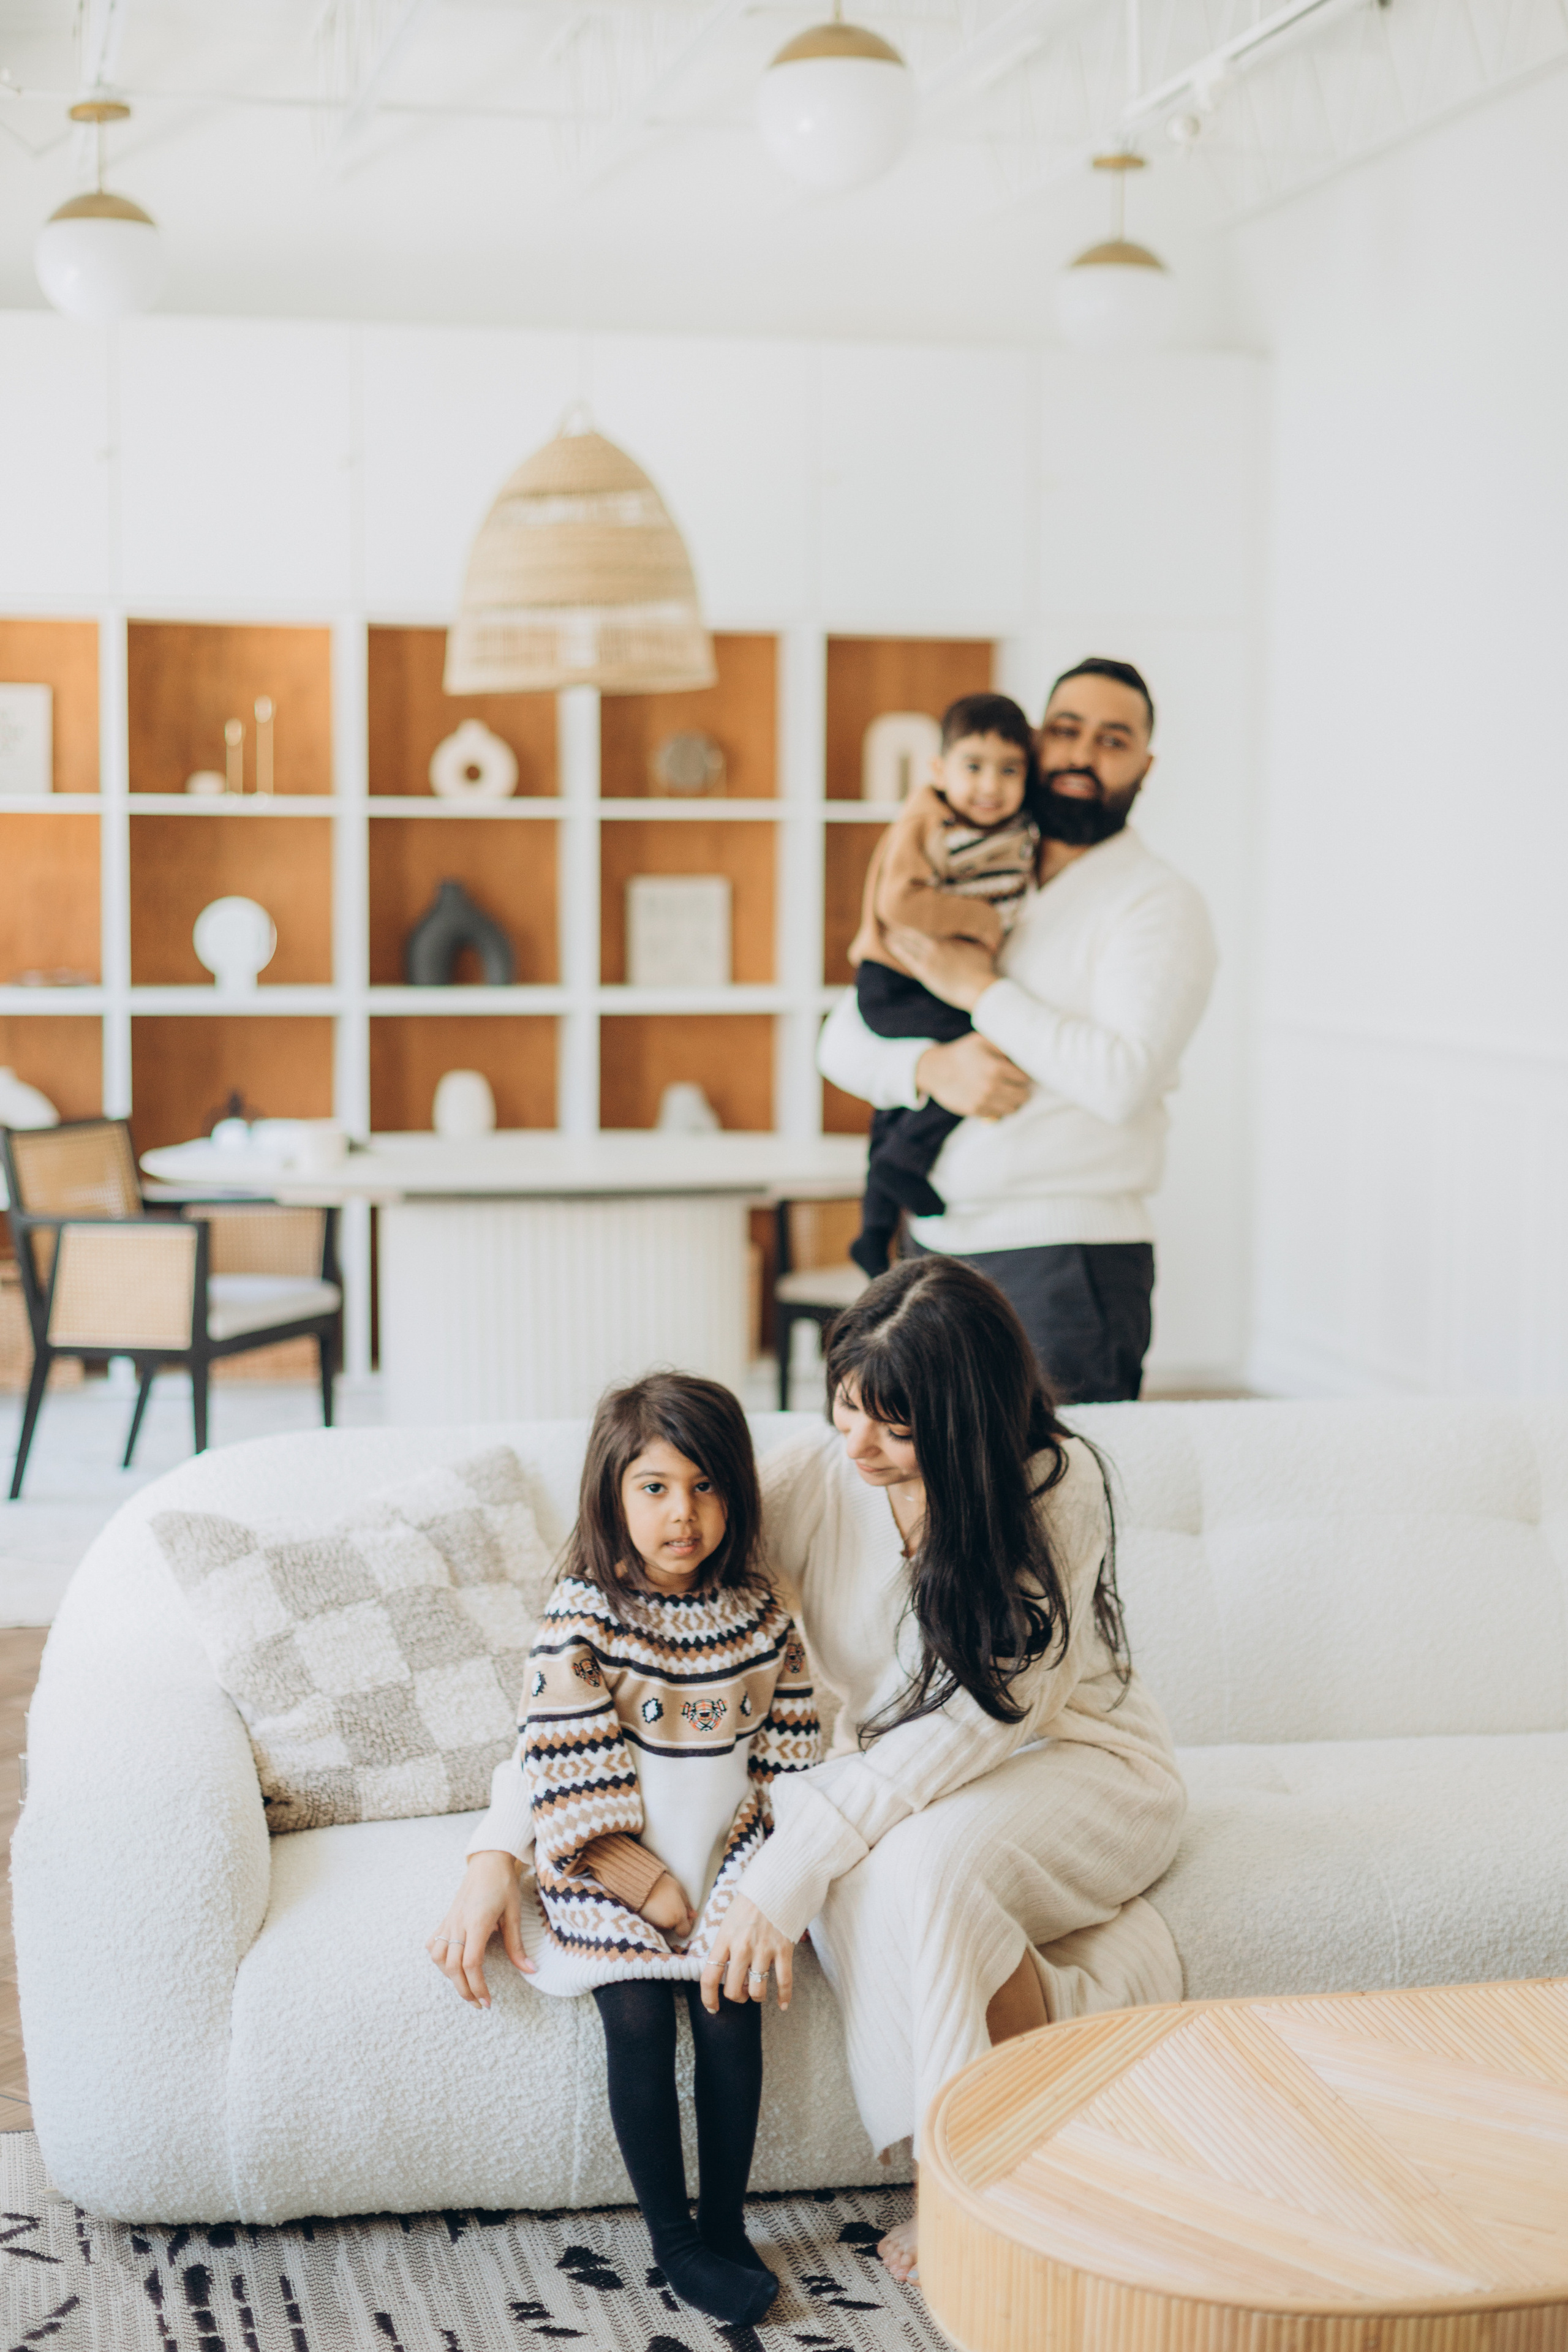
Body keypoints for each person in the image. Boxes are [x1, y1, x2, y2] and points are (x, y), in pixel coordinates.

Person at [698, 1254, 1186, 2282]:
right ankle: (1065, 2044)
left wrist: (793, 1865)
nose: (859, 1444)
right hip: (905, 1782)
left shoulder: (1058, 1485)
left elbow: (987, 1720)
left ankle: (972, 2186)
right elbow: (662, 1580)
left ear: (963, 1422)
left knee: (917, 1863)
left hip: (1080, 1766)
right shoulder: (823, 1472)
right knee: (887, 1853)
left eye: (895, 1426)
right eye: (846, 1406)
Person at [428, 1374, 820, 2329]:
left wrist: (751, 1879)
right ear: (612, 1495)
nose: (681, 1514)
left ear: (736, 1492)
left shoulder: (761, 1616)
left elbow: (791, 1760)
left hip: (727, 1865)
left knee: (733, 2016)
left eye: (704, 1486)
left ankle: (724, 2225)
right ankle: (676, 2241)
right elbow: (561, 1765)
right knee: (640, 2023)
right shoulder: (584, 1618)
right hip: (611, 1871)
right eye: (653, 1488)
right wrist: (642, 1884)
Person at [820, 656, 1217, 1404]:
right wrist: (931, 1070)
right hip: (933, 1252)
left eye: (1111, 740)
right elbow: (841, 1039)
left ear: (1145, 764)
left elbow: (1121, 1079)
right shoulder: (978, 870)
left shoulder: (1157, 904)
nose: (1079, 756)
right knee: (934, 1496)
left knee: (1056, 1500)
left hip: (1065, 1260)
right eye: (1064, 732)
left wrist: (978, 989)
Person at [848, 692, 1042, 1280]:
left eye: (1009, 771)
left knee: (895, 1100)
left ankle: (874, 1227)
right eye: (974, 767)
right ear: (939, 770)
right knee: (986, 1047)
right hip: (891, 983)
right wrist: (980, 923)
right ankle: (908, 1159)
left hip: (919, 984)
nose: (991, 785)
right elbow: (900, 900)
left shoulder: (1006, 829)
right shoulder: (926, 820)